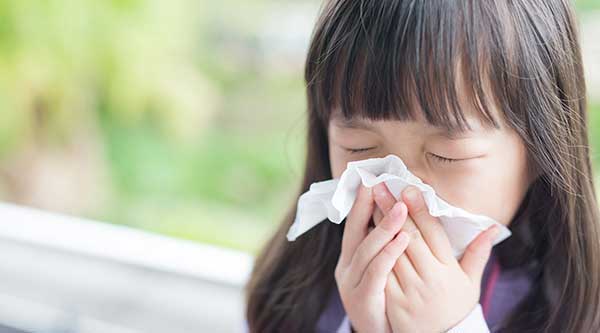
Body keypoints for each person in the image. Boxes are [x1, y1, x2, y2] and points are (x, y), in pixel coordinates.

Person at [244, 0, 600, 332]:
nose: (401, 194)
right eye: (359, 147)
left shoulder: (578, 307)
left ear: (542, 150)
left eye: (447, 154)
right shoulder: (299, 288)